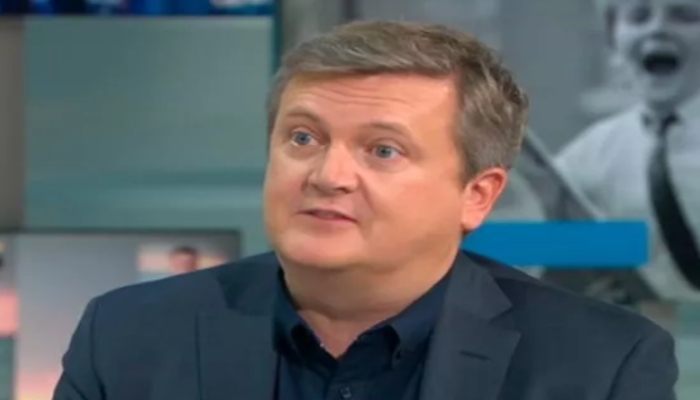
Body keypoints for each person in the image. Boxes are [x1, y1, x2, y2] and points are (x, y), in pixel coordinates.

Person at [53, 21, 677, 400]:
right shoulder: (129, 335)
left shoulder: (601, 365)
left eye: (383, 150)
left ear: (477, 195)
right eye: (303, 138)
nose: (328, 176)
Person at [555, 0, 700, 317]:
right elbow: (528, 239)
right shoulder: (591, 154)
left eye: (684, 16)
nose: (657, 28)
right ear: (613, 36)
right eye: (638, 16)